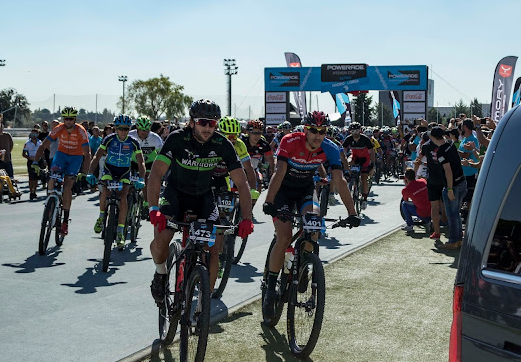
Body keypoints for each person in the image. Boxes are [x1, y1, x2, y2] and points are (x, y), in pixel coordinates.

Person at [147, 99, 254, 303]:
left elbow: (242, 183)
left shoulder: (222, 144)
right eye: (203, 122)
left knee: (214, 249)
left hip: (203, 197)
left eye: (213, 123)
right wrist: (153, 208)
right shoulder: (177, 138)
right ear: (192, 122)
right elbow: (156, 174)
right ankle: (160, 273)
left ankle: (203, 302)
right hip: (175, 194)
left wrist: (246, 218)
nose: (207, 127)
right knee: (162, 240)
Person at [261, 111, 360, 319]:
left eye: (321, 131)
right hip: (282, 191)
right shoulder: (290, 141)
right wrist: (269, 201)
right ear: (305, 130)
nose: (317, 135)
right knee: (285, 236)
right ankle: (270, 288)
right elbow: (278, 172)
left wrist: (352, 213)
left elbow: (340, 181)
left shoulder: (331, 148)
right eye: (313, 130)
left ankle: (305, 263)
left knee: (313, 226)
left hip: (305, 189)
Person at [87, 115, 145, 248]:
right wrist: (90, 172)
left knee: (123, 195)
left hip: (124, 171)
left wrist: (141, 179)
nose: (123, 131)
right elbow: (97, 156)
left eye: (126, 128)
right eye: (120, 129)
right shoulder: (109, 139)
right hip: (109, 170)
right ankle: (101, 217)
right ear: (115, 129)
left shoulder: (133, 142)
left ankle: (120, 231)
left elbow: (141, 162)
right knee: (105, 190)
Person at [31, 107, 89, 236]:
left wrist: (84, 172)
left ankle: (65, 222)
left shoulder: (81, 131)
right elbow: (43, 145)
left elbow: (87, 153)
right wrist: (35, 162)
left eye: (71, 119)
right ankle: (50, 203)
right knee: (52, 177)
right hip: (61, 155)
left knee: (68, 187)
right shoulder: (59, 128)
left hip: (75, 158)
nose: (68, 121)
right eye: (66, 119)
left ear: (75, 119)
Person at [429, 127, 467, 249]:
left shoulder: (441, 151)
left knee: (452, 214)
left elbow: (448, 171)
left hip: (454, 186)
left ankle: (454, 241)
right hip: (462, 182)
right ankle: (458, 239)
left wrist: (450, 189)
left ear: (434, 137)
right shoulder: (450, 143)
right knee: (456, 213)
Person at [129, 117, 164, 214]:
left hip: (149, 163)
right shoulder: (130, 135)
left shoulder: (155, 138)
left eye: (146, 130)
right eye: (141, 130)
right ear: (137, 128)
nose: (144, 132)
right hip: (133, 162)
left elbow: (162, 153)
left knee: (146, 179)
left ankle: (145, 203)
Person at [342, 122, 375, 209]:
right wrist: (343, 161)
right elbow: (343, 150)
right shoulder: (348, 139)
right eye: (353, 131)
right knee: (348, 162)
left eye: (357, 130)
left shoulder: (365, 139)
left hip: (365, 159)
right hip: (355, 157)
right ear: (350, 132)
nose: (355, 132)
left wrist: (373, 163)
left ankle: (364, 199)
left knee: (364, 178)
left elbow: (372, 152)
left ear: (360, 130)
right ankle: (349, 180)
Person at [22, 129, 42, 200]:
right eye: (32, 134)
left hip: (38, 161)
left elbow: (42, 152)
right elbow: (23, 154)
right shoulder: (27, 143)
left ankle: (34, 192)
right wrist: (29, 158)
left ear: (38, 134)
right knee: (31, 177)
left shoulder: (40, 142)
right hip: (31, 161)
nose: (34, 136)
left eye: (35, 134)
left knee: (36, 178)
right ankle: (31, 192)